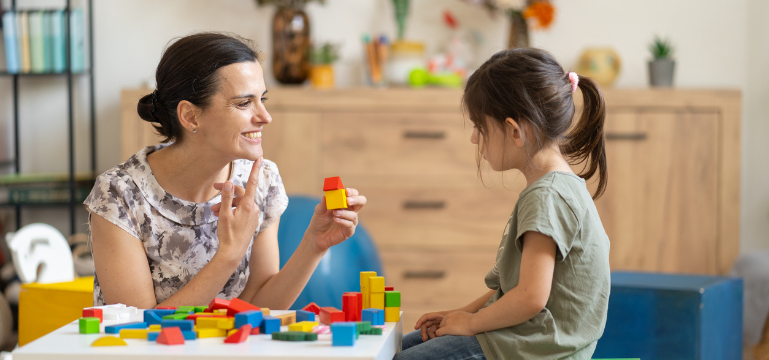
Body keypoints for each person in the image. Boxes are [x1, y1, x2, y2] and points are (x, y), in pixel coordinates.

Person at [84, 32, 366, 309]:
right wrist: (229, 255)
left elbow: (258, 305)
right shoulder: (119, 194)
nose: (265, 117)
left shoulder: (262, 180)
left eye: (262, 100)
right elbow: (138, 330)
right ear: (190, 116)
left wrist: (314, 245)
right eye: (244, 103)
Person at [394, 48, 611, 360]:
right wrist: (459, 314)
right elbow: (514, 290)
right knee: (403, 345)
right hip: (522, 338)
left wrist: (470, 324)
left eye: (480, 127)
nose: (474, 139)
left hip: (532, 349)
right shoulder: (557, 187)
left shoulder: (547, 195)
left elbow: (530, 298)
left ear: (513, 130)